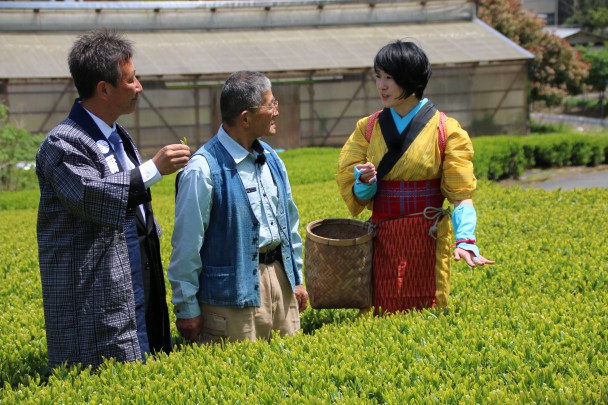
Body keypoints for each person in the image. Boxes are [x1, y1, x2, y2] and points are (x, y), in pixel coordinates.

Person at [35, 30, 191, 369]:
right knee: (105, 375)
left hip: (137, 278)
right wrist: (154, 168)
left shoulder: (119, 135)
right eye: (131, 80)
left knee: (146, 368)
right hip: (94, 293)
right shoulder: (62, 143)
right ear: (104, 88)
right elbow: (89, 195)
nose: (139, 88)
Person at [336, 40, 494, 314]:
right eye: (378, 77)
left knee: (428, 307)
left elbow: (461, 196)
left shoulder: (447, 130)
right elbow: (358, 192)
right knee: (380, 311)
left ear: (411, 80)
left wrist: (466, 240)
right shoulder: (367, 127)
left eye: (390, 78)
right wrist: (365, 182)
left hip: (428, 237)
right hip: (382, 237)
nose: (381, 86)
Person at [168, 71, 308, 344]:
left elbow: (289, 224)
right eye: (271, 104)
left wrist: (296, 278)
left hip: (280, 284)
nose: (276, 111)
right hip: (230, 299)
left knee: (289, 375)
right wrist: (187, 309)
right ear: (246, 118)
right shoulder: (203, 169)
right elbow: (186, 245)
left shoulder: (271, 158)